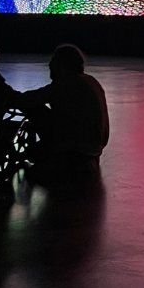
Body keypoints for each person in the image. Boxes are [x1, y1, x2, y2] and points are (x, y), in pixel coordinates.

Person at [15, 44, 109, 186]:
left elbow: (28, 99)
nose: (50, 65)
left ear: (62, 65)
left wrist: (8, 96)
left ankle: (50, 156)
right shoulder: (90, 81)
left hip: (77, 148)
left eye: (53, 62)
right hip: (94, 147)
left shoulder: (65, 84)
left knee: (35, 109)